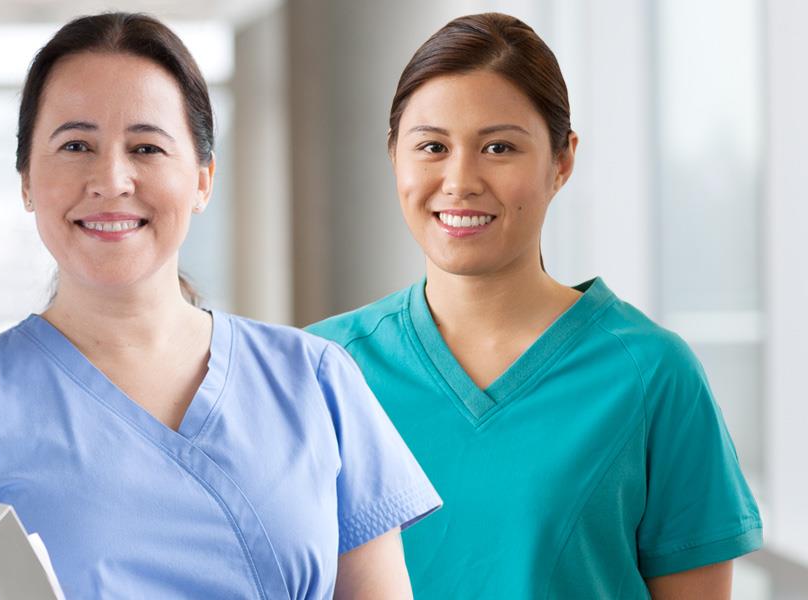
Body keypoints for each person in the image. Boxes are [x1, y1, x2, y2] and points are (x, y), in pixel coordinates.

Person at [0, 12, 440, 599]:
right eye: (75, 145)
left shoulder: (316, 379)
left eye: (146, 147)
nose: (111, 179)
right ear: (25, 181)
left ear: (202, 179)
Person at [306, 12, 762, 599]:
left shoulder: (652, 375)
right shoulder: (321, 368)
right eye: (432, 147)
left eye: (499, 147)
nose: (460, 180)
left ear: (562, 160)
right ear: (395, 156)